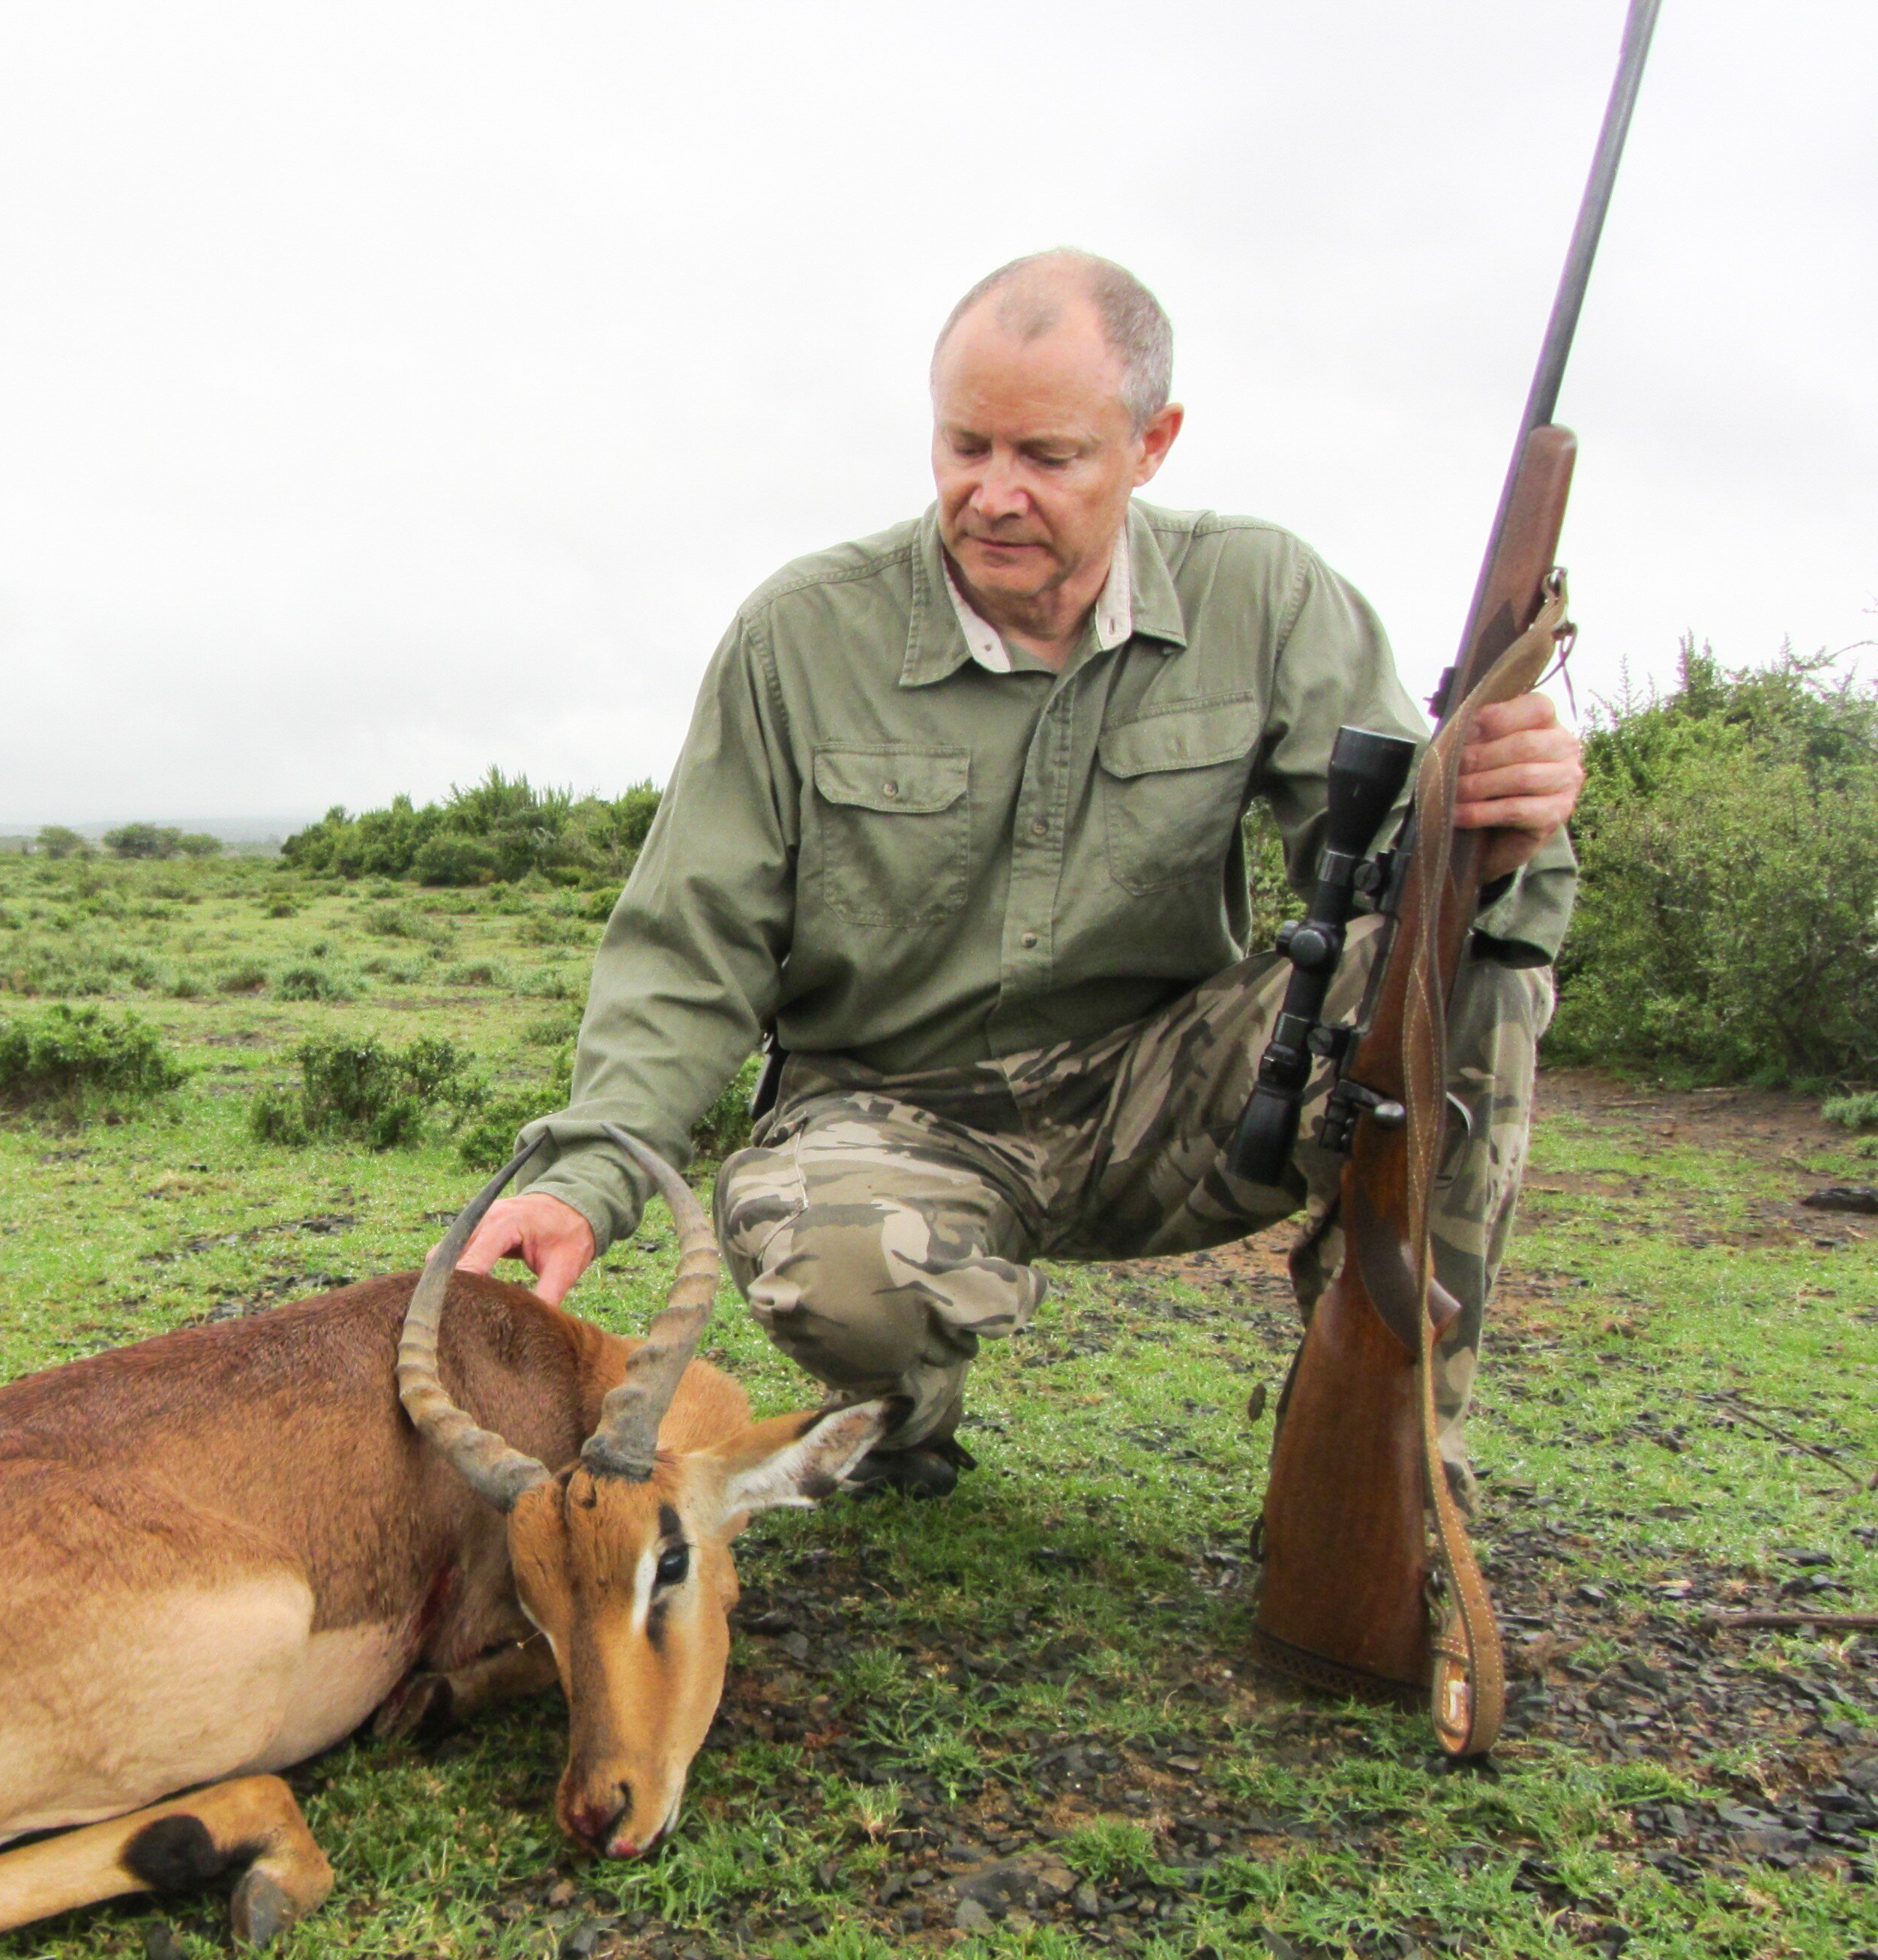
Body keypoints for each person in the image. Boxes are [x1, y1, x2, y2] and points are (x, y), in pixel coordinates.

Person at [460, 248, 1583, 1494]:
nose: (994, 494)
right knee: (842, 1270)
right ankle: (904, 1414)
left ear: (1151, 443)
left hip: (1173, 1097)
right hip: (893, 1112)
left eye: (1047, 458)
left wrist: (1495, 838)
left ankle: (1389, 1453)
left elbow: (1397, 893)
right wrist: (584, 1179)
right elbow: (691, 943)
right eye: (965, 447)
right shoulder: (803, 630)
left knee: (1460, 980)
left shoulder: (1265, 592)